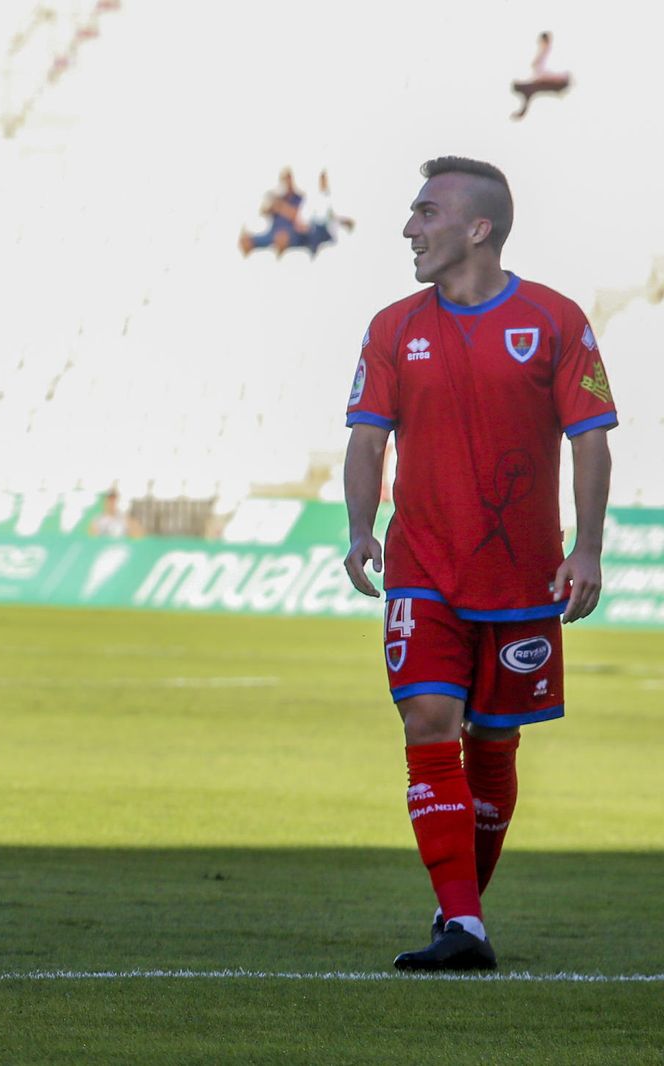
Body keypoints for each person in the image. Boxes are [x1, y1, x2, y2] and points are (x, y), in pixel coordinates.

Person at [342, 156, 616, 970]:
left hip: (521, 576)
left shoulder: (557, 321)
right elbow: (367, 437)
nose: (408, 230)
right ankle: (465, 926)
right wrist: (362, 527)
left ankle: (457, 912)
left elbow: (591, 440)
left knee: (493, 747)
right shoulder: (393, 327)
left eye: (425, 214)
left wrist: (588, 548)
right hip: (421, 567)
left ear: (477, 228)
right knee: (429, 724)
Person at [511, 32, 571, 121]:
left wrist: (519, 114)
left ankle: (546, 42)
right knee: (538, 70)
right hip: (559, 83)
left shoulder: (531, 87)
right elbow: (524, 107)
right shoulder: (530, 88)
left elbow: (524, 107)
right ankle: (562, 78)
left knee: (538, 70)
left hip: (559, 82)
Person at [296, 169, 356, 258]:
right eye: (322, 179)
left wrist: (341, 221)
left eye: (325, 179)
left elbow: (333, 216)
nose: (323, 182)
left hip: (326, 231)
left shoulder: (333, 197)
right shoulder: (312, 197)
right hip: (313, 228)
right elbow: (305, 216)